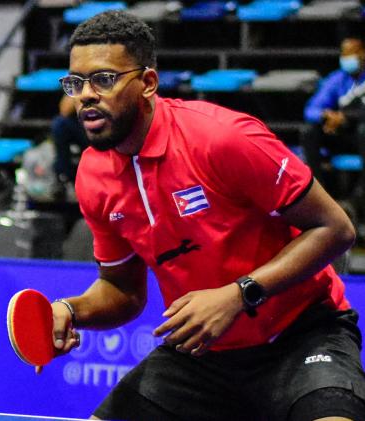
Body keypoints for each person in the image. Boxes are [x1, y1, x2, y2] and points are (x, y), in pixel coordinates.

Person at [49, 11, 365, 420]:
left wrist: (238, 294)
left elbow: (335, 229)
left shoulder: (222, 139)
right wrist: (71, 310)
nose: (86, 95)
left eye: (104, 80)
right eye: (76, 83)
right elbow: (123, 290)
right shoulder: (93, 176)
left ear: (147, 84)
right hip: (201, 355)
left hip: (302, 336)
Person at [301, 35, 365, 200]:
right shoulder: (337, 78)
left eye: (351, 53)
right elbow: (311, 109)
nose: (347, 58)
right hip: (343, 135)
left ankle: (360, 195)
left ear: (362, 54)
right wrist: (325, 116)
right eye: (344, 54)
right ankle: (319, 192)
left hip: (361, 134)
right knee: (309, 131)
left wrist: (346, 117)